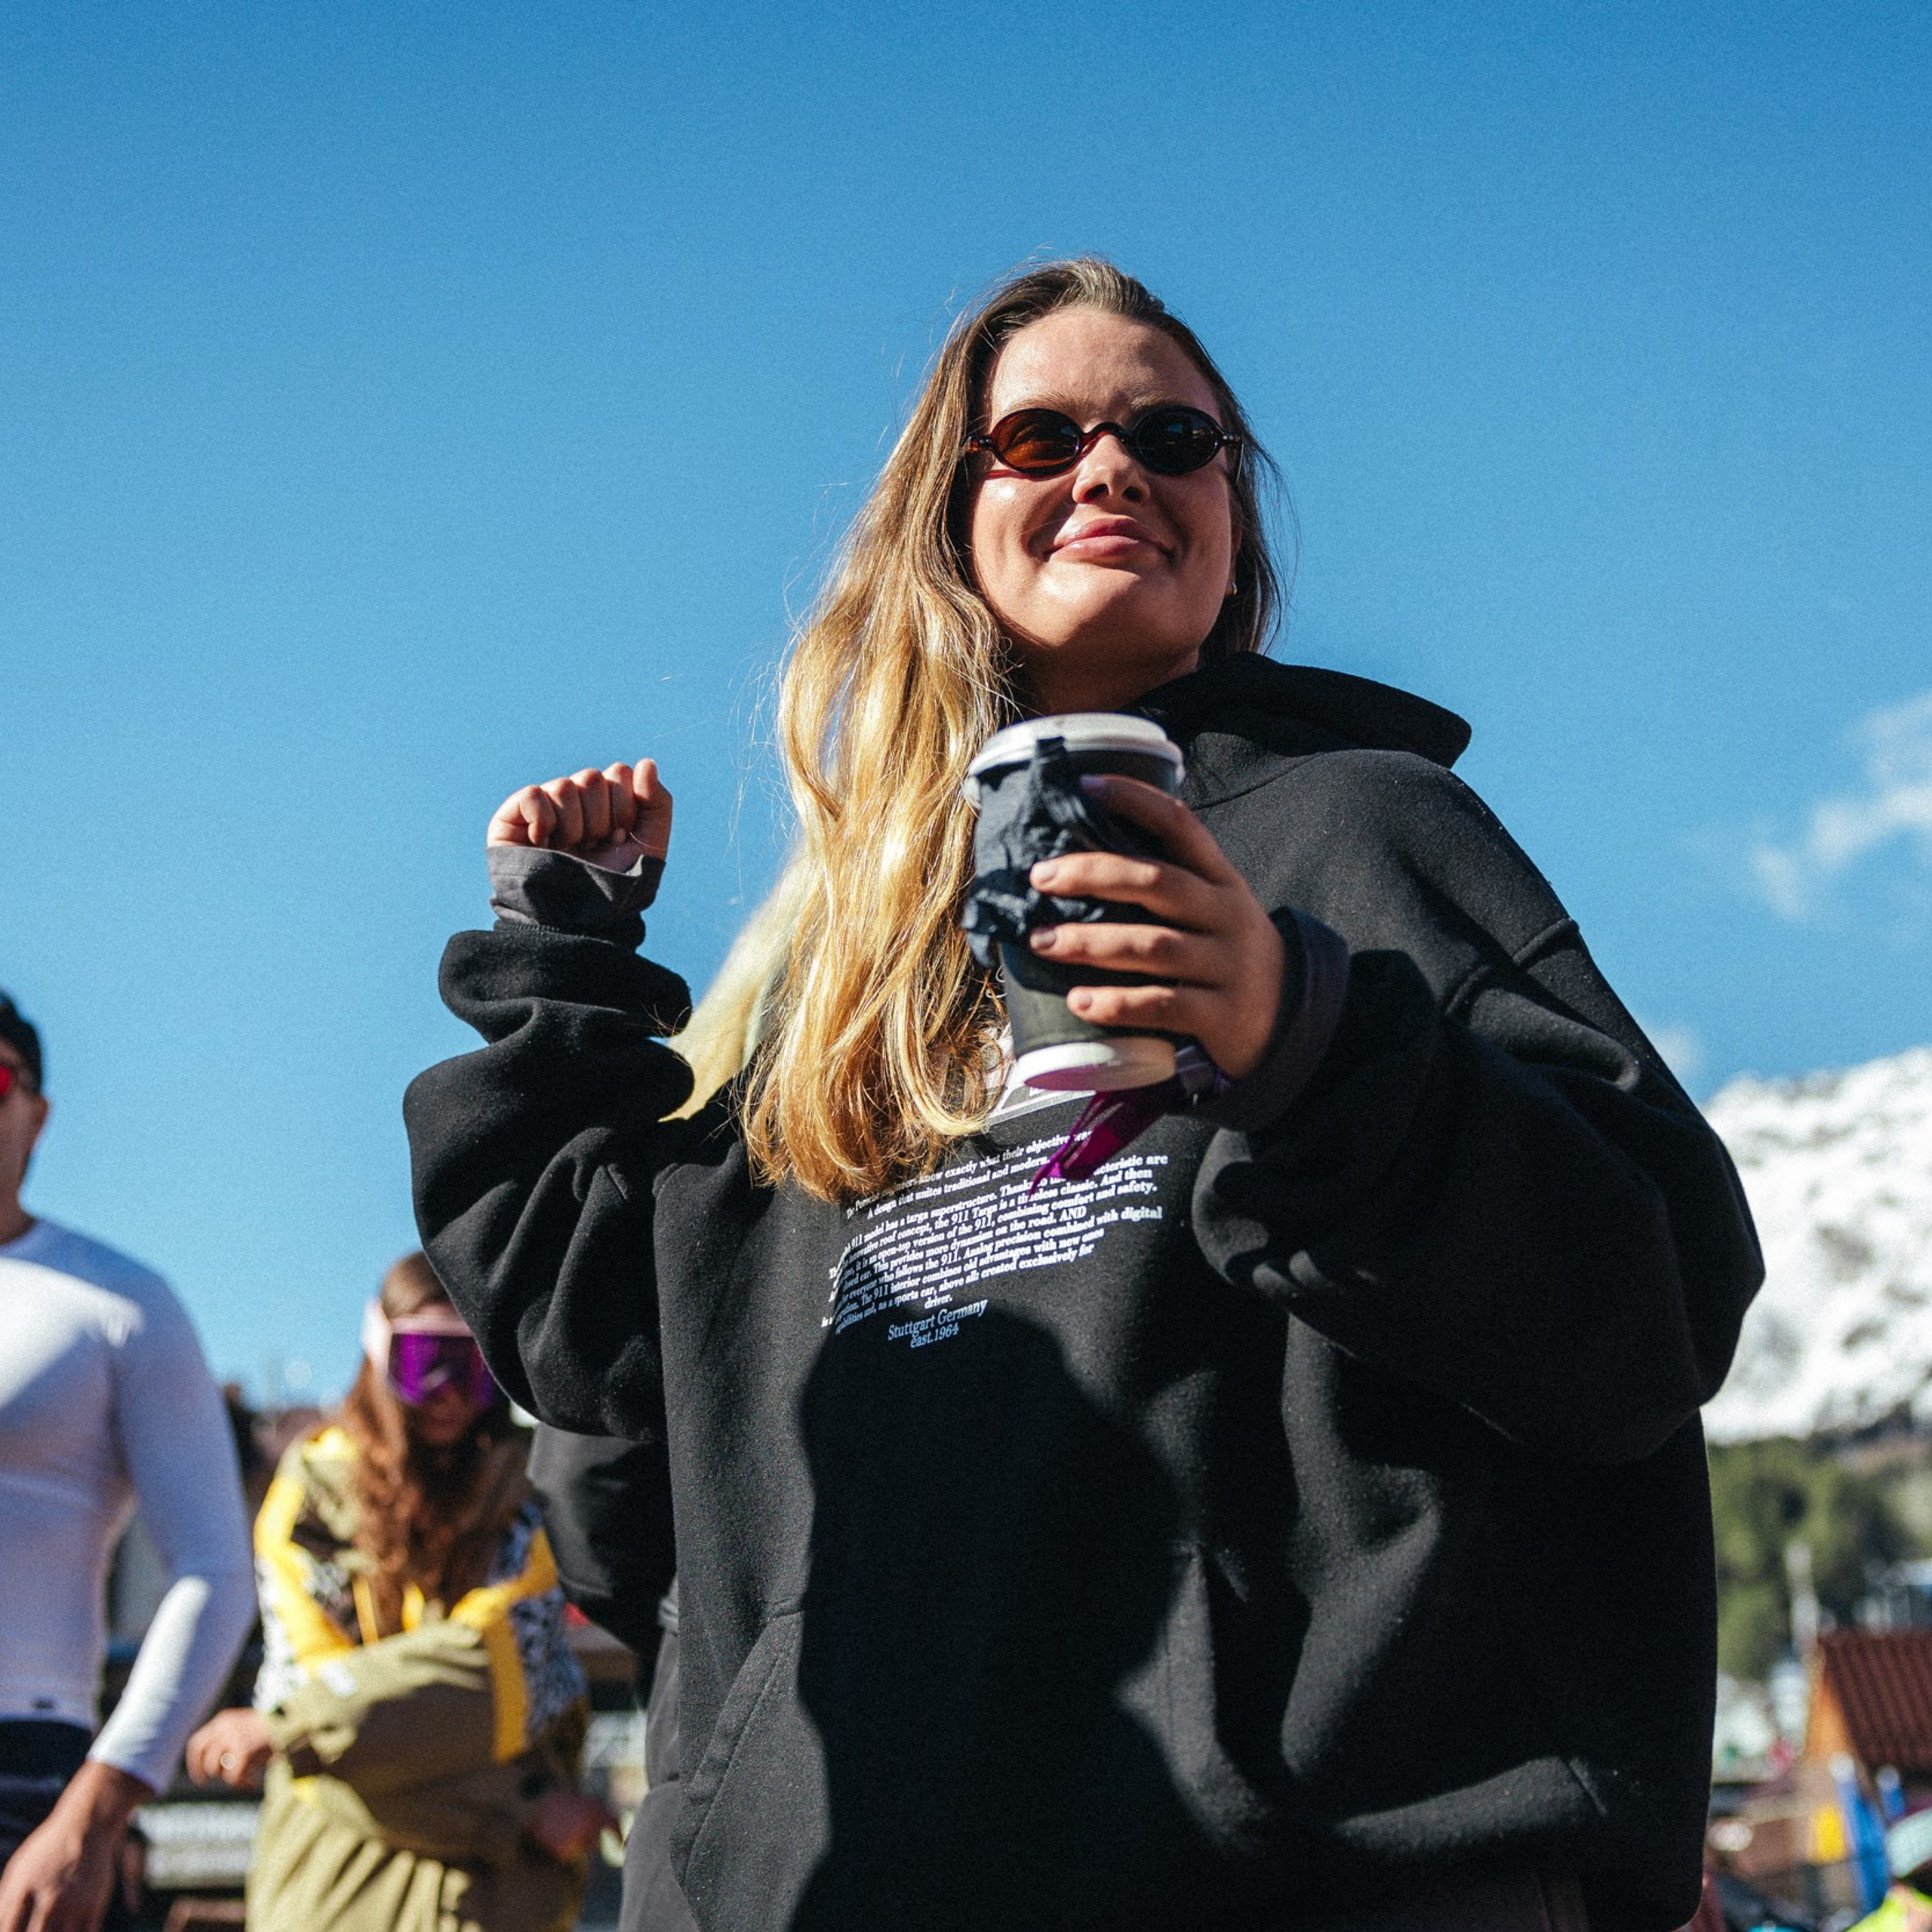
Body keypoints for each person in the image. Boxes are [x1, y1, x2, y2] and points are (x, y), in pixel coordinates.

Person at [405, 259, 1764, 1932]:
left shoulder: (1369, 836)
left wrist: (1304, 1037)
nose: (1107, 468)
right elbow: (630, 1432)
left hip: (1293, 1882)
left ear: (1231, 526)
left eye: (1170, 434)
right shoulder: (835, 960)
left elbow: (1641, 1314)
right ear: (943, 517)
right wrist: (559, 968)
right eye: (1036, 437)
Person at [186, 1253, 608, 1932]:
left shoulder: (532, 1497)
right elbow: (332, 1733)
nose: (446, 1391)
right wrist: (524, 1808)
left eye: (472, 1365)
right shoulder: (313, 1498)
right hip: (340, 1892)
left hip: (493, 1905)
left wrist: (300, 1729)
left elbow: (490, 1674)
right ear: (376, 1345)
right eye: (423, 1359)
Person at [0, 989, 255, 1932]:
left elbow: (216, 1571)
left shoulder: (121, 1304)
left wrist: (94, 1811)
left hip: (23, 1771)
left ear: (37, 1111)